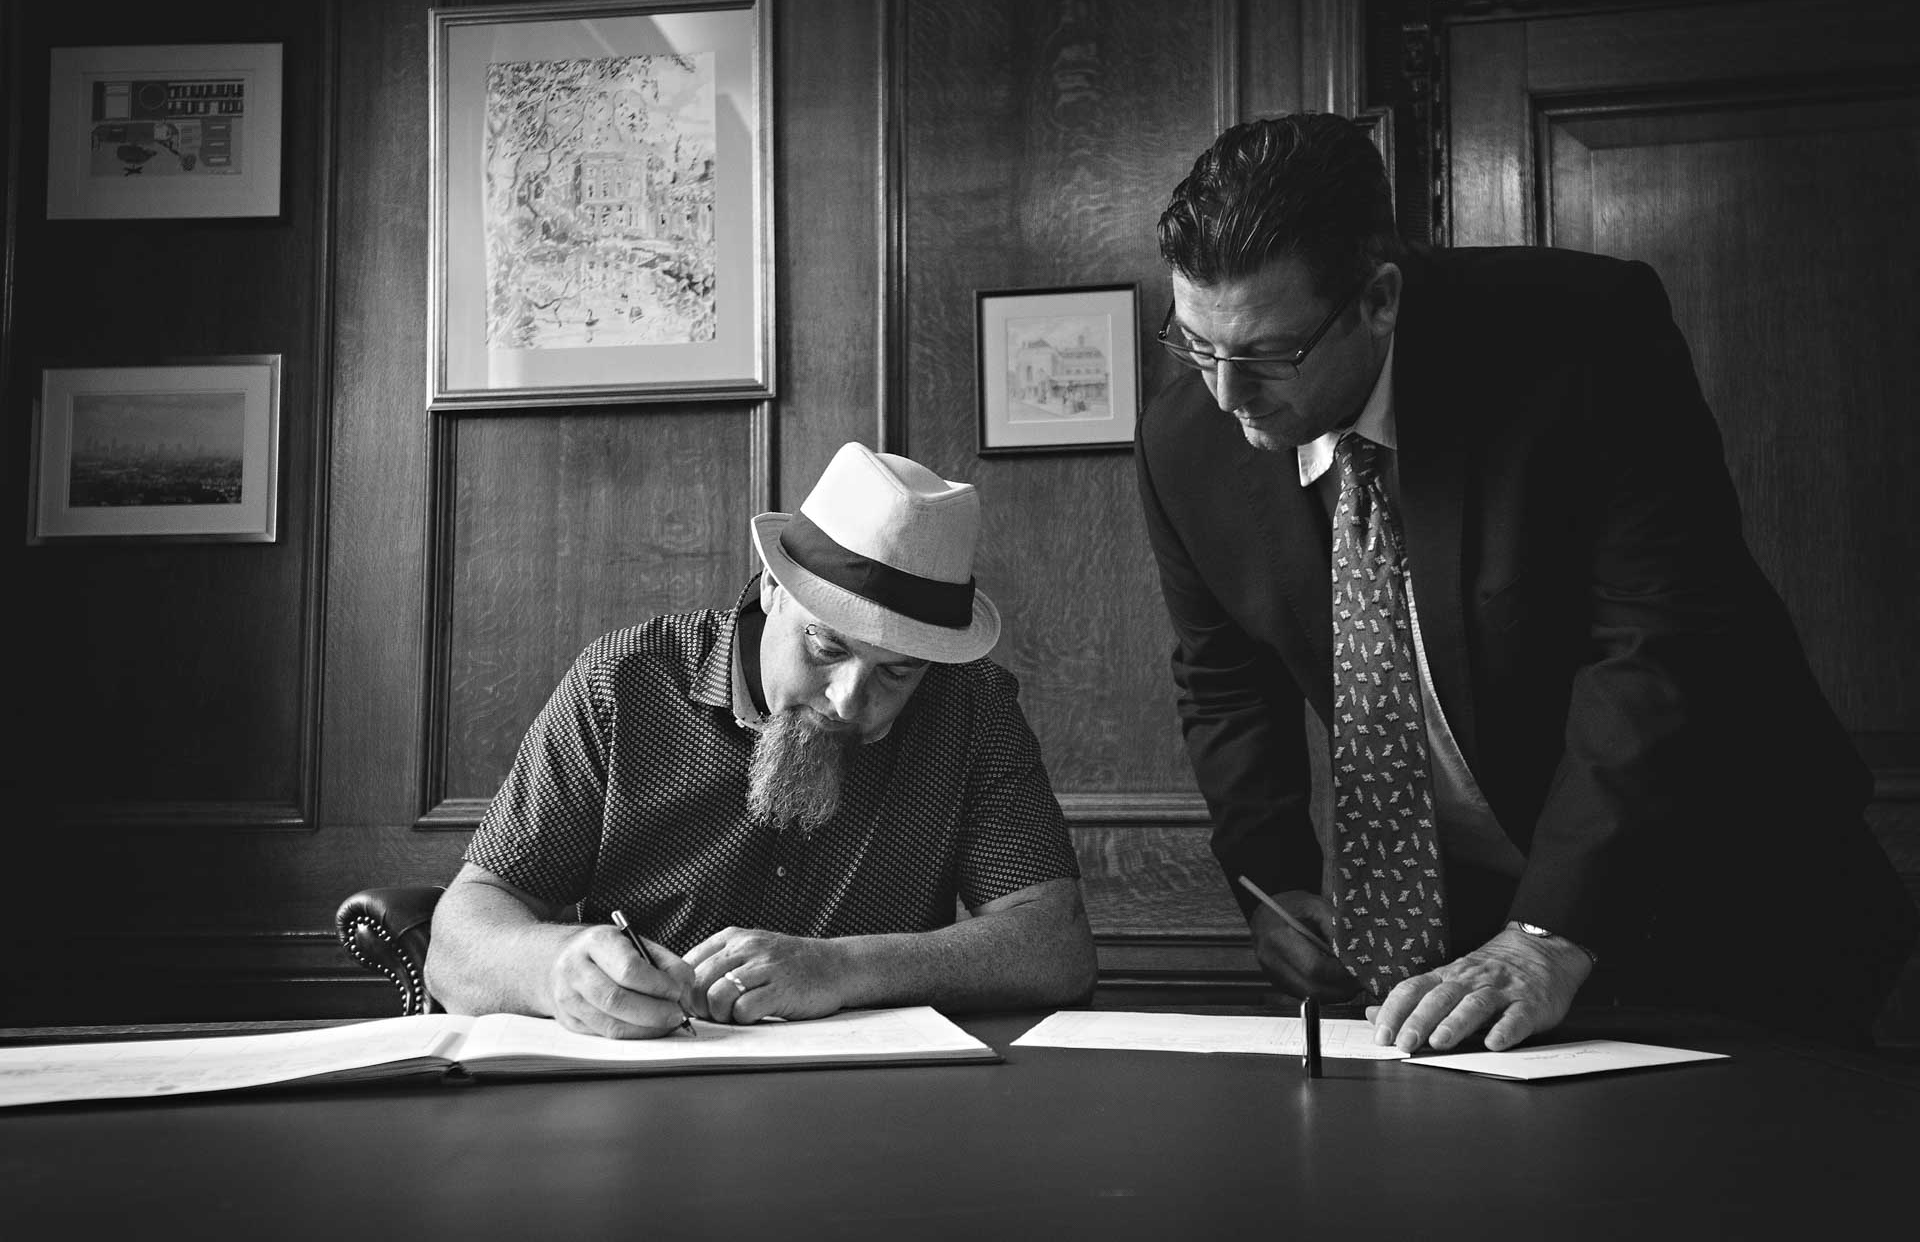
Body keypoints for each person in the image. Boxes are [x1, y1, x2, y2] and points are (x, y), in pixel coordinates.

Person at [1135, 112, 1915, 1053]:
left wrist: (1549, 933)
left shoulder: (1584, 336)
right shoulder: (1186, 442)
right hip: (1465, 937)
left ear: (1379, 299)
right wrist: (1274, 885)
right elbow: (1224, 684)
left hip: (1734, 890)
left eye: (1266, 354)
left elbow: (1660, 642)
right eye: (1195, 344)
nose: (1226, 394)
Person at [427, 441, 1098, 1038]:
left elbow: (1055, 946)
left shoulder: (971, 706)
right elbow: (458, 941)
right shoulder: (623, 685)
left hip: (881, 1110)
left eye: (897, 673)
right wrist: (558, 970)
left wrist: (841, 969)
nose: (847, 700)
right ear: (775, 588)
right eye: (825, 645)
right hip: (648, 1099)